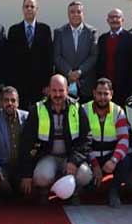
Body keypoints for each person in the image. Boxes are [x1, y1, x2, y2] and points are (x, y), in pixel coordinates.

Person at [18, 74, 92, 203]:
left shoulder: (77, 109)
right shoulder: (37, 110)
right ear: (48, 90)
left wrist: (74, 161)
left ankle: (74, 192)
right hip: (48, 156)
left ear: (67, 90)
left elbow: (86, 139)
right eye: (54, 91)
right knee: (41, 176)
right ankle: (44, 191)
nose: (57, 94)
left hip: (69, 156)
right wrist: (26, 174)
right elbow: (26, 142)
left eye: (61, 90)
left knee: (85, 174)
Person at [83, 78, 129, 208]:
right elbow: (83, 143)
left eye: (106, 93)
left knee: (125, 161)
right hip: (90, 157)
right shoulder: (83, 110)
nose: (102, 97)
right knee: (86, 181)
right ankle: (81, 190)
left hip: (110, 156)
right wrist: (95, 164)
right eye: (99, 93)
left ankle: (114, 191)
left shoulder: (118, 111)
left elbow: (124, 139)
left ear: (111, 94)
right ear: (93, 93)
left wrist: (114, 160)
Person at [5, 0, 54, 109]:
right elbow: (9, 60)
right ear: (22, 9)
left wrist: (48, 84)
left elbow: (49, 59)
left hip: (40, 86)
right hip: (19, 85)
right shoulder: (14, 31)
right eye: (26, 6)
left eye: (32, 6)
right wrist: (10, 85)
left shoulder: (45, 29)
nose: (29, 9)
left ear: (37, 9)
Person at [53, 1, 99, 100]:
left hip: (86, 84)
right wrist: (69, 73)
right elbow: (57, 56)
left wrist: (79, 72)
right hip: (65, 85)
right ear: (68, 14)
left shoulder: (92, 32)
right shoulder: (59, 32)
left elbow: (93, 55)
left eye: (79, 12)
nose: (76, 15)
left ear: (83, 14)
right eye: (72, 12)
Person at [0, 86, 28, 197]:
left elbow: (32, 147)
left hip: (21, 166)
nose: (10, 103)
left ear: (18, 103)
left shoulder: (27, 118)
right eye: (6, 100)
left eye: (13, 100)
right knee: (1, 188)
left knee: (30, 191)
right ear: (1, 103)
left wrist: (28, 174)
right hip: (3, 166)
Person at [95, 9, 132, 106]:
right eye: (111, 17)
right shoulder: (102, 39)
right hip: (105, 89)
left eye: (117, 17)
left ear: (122, 20)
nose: (114, 19)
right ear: (108, 21)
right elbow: (99, 64)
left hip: (124, 88)